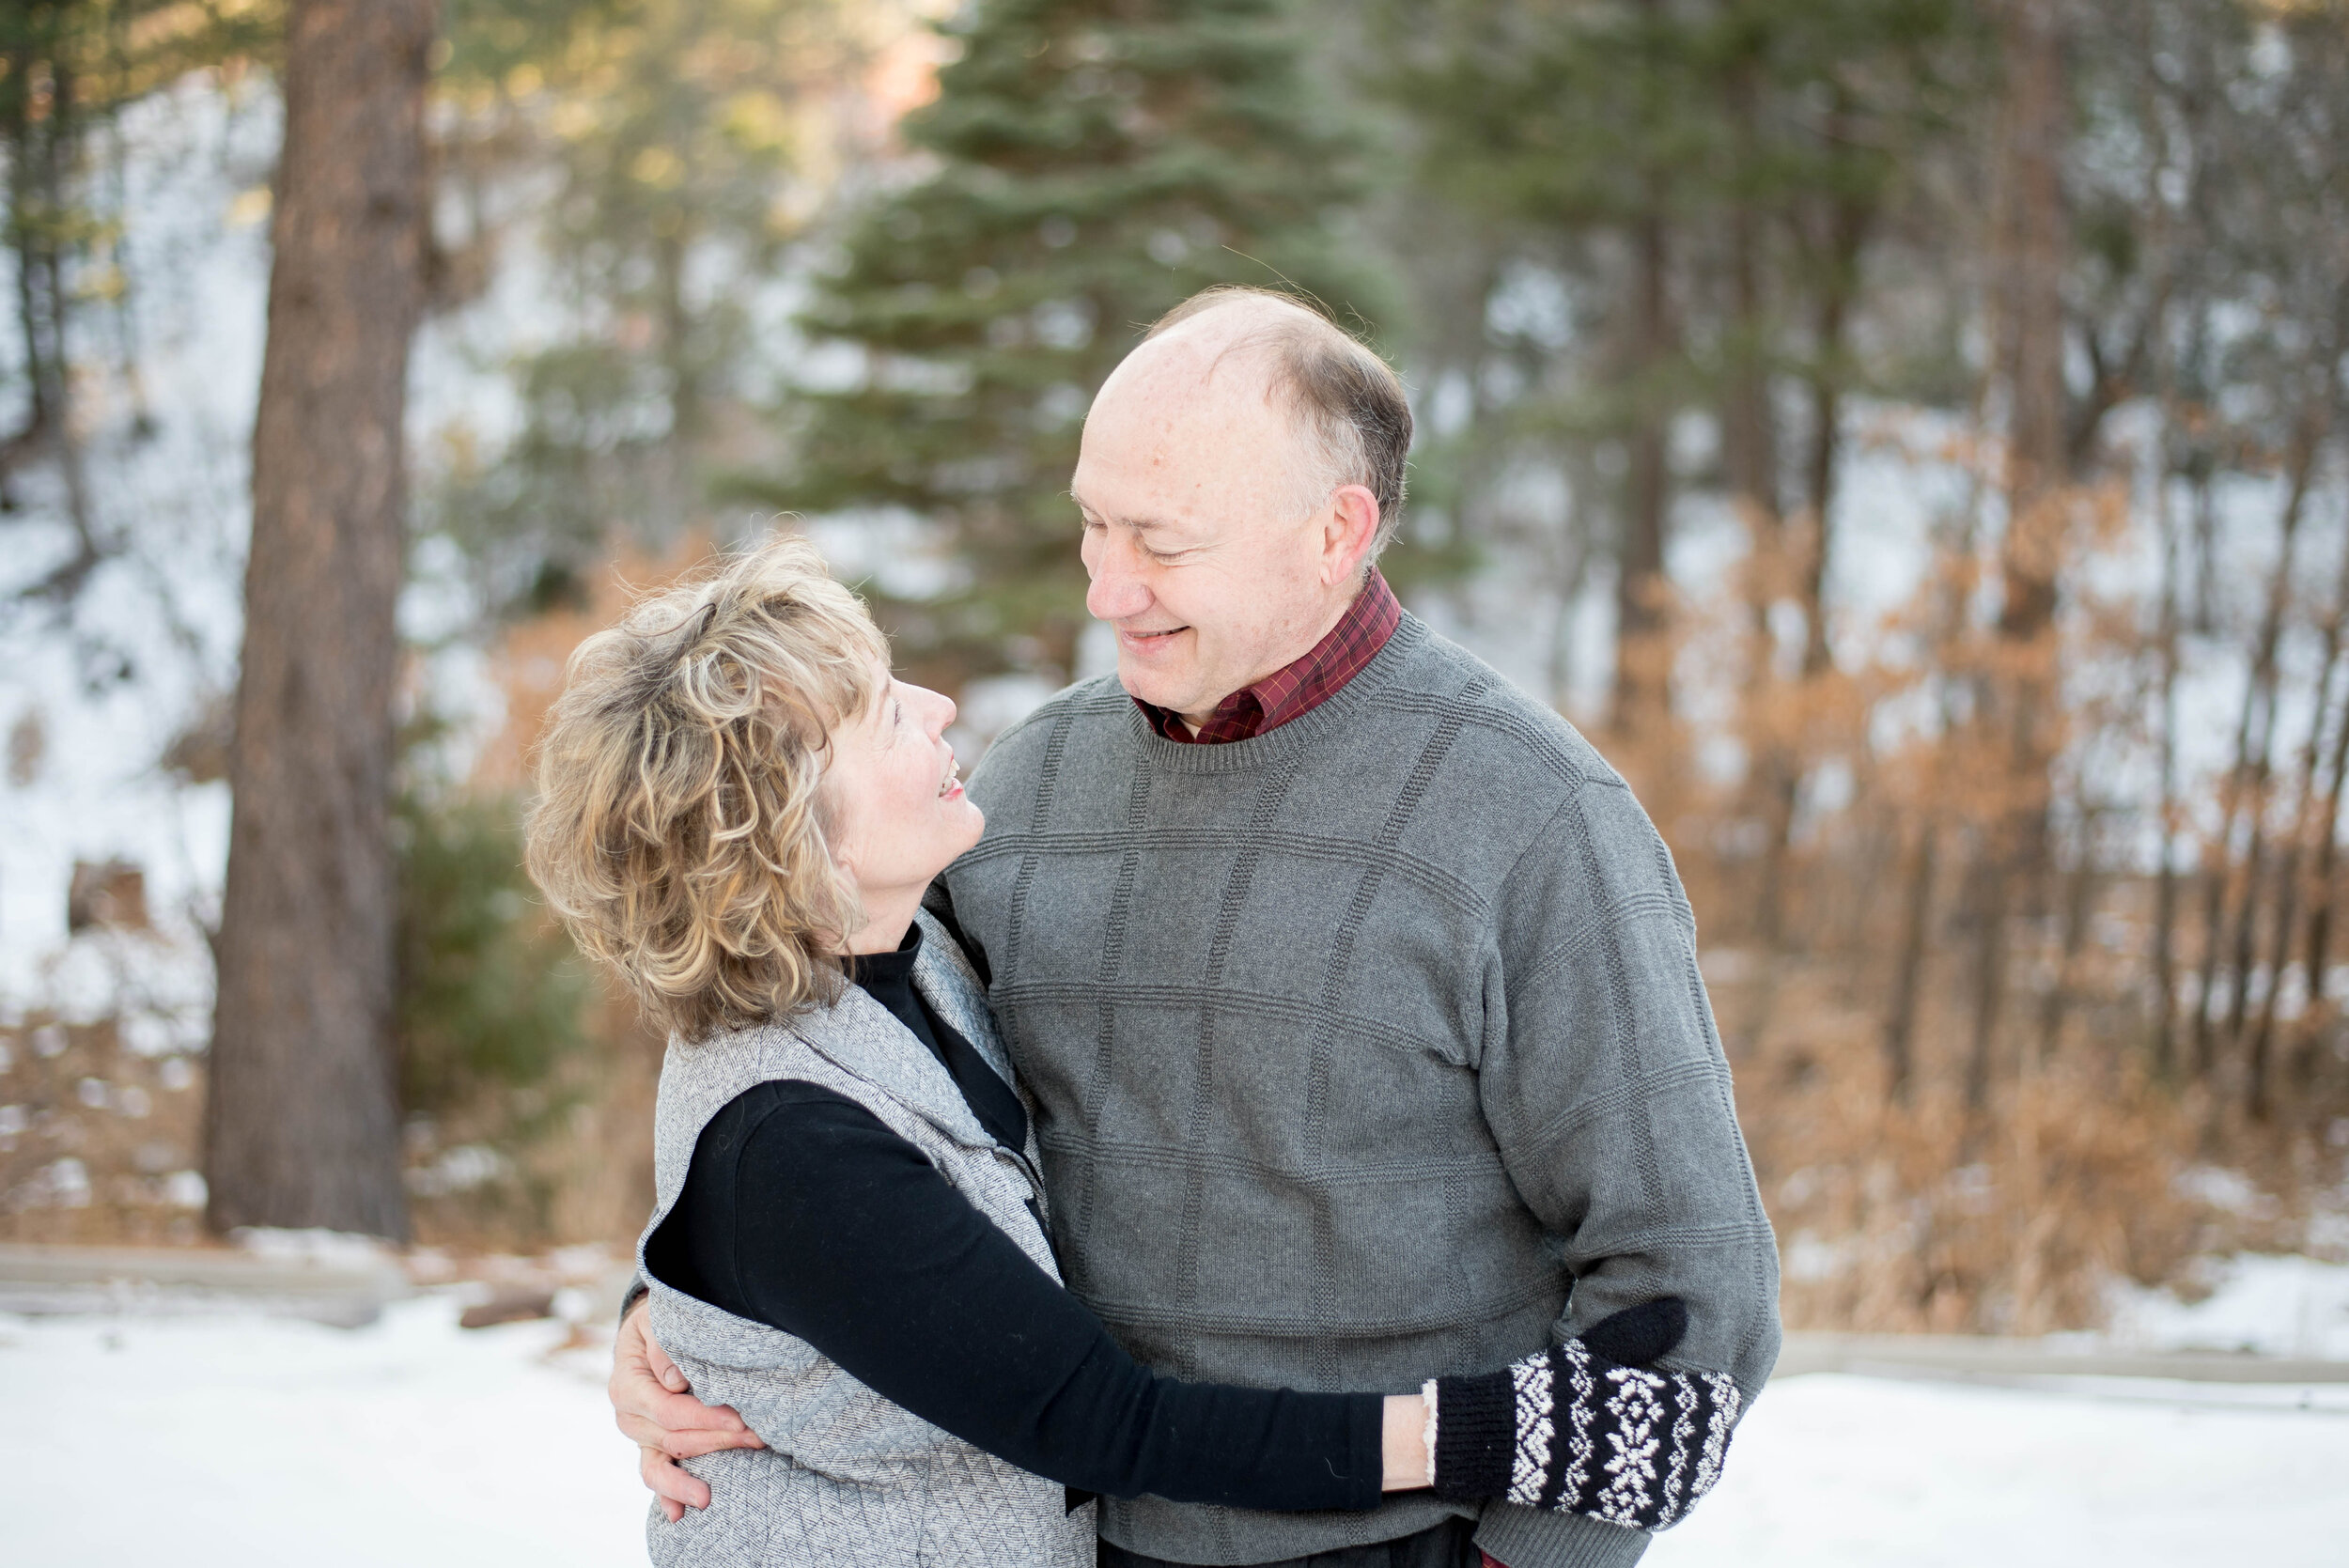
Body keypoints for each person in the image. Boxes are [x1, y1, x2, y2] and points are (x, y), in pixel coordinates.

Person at [612, 288, 1781, 1568]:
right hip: (1073, 1533)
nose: (1111, 588)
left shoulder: (1533, 821)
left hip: (1400, 1545)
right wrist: (678, 1316)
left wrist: (1519, 1562)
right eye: (1092, 525)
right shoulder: (1026, 786)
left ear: (1334, 531)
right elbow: (830, 1096)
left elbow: (1692, 1283)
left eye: (1161, 541)